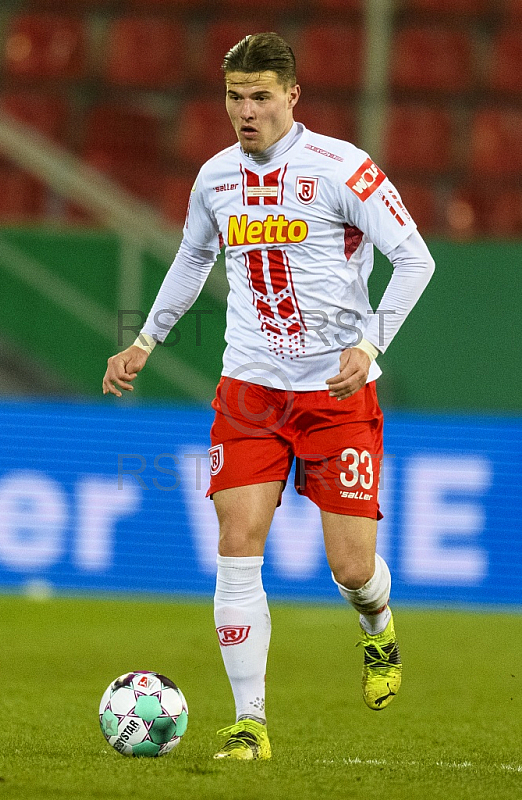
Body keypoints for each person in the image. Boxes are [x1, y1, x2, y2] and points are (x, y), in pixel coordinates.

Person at [102, 32, 435, 761]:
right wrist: (145, 341)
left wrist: (370, 343)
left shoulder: (343, 169)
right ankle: (249, 723)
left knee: (351, 570)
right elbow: (193, 257)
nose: (245, 111)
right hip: (249, 392)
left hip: (336, 395)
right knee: (236, 546)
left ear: (292, 96)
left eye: (259, 97)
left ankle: (377, 631)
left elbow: (415, 259)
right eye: (233, 97)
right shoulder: (215, 178)